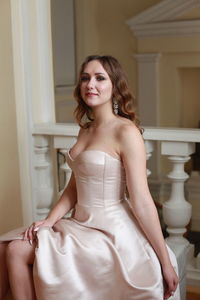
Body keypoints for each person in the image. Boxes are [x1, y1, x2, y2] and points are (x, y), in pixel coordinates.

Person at [0, 55, 180, 300]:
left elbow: (142, 200)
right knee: (5, 247)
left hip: (110, 229)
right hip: (80, 223)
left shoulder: (126, 132)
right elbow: (75, 186)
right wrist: (50, 221)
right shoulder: (85, 129)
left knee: (17, 251)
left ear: (114, 86)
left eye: (99, 78)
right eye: (85, 78)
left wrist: (164, 261)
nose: (90, 84)